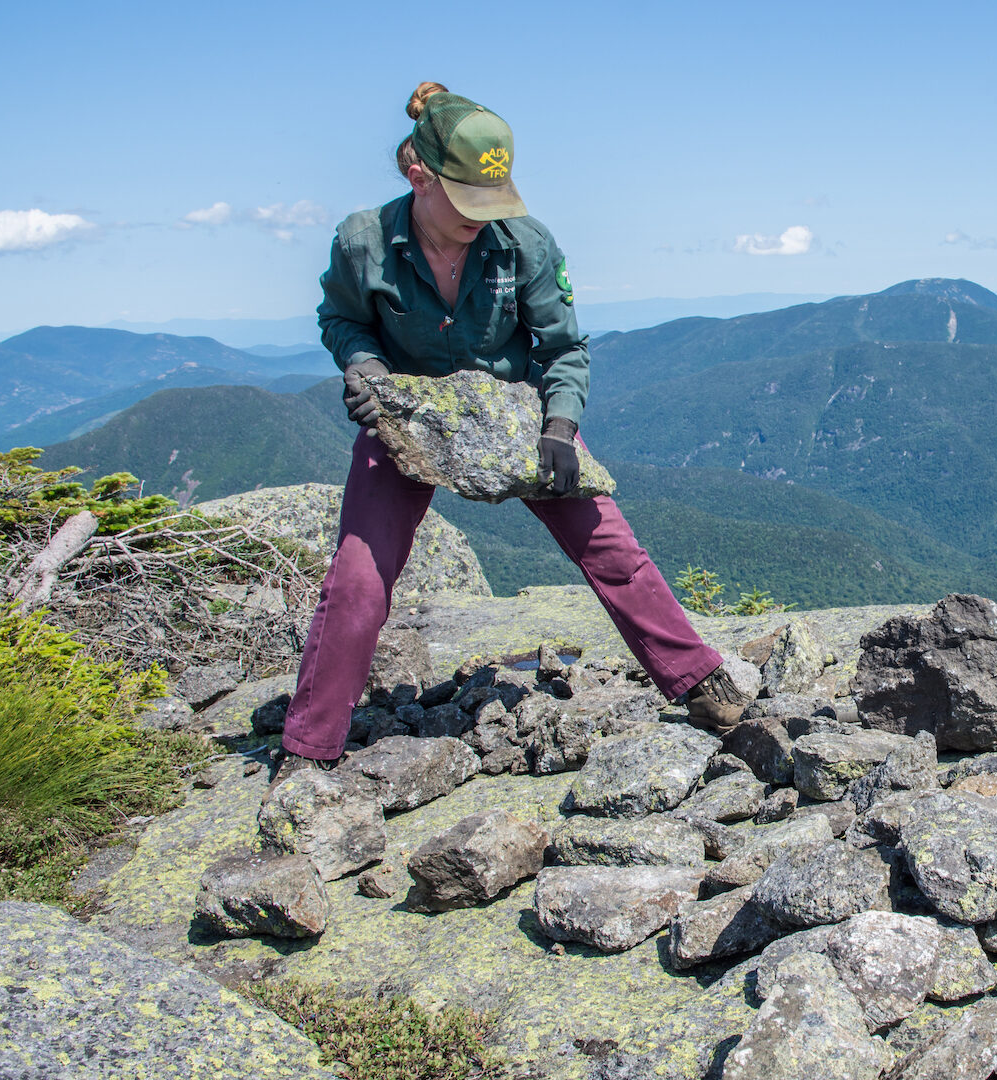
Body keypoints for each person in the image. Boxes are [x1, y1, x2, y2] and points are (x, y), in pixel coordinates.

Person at [267, 82, 748, 797]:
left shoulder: (524, 241)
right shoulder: (363, 240)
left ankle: (702, 684)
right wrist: (364, 368)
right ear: (419, 175)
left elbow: (563, 348)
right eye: (466, 198)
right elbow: (341, 320)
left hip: (513, 415)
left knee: (609, 545)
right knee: (359, 577)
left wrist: (560, 427)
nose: (480, 215)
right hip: (409, 419)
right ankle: (310, 747)